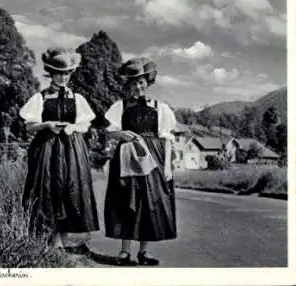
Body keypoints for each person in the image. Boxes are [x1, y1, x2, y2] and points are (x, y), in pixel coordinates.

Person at [19, 47, 99, 254]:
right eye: (58, 73)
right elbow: (29, 126)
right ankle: (54, 242)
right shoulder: (41, 97)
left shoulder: (78, 99)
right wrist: (46, 125)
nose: (63, 77)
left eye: (66, 73)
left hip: (72, 148)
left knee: (70, 190)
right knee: (48, 189)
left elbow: (85, 124)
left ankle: (68, 240)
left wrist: (74, 127)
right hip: (47, 148)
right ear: (51, 73)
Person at [103, 57, 177, 266]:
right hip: (127, 158)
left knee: (150, 204)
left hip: (153, 158)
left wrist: (168, 166)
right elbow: (110, 133)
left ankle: (144, 252)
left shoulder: (160, 107)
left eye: (141, 81)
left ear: (147, 82)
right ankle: (124, 252)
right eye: (134, 82)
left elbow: (166, 137)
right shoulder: (120, 106)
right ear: (128, 85)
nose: (138, 86)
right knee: (127, 201)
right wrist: (121, 135)